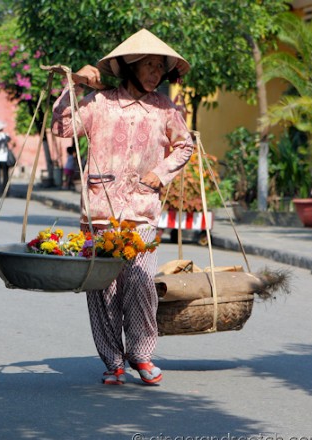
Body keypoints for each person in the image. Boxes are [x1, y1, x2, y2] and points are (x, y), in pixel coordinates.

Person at [51, 29, 194, 386]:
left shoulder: (166, 109)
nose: (154, 74)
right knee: (103, 289)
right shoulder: (100, 104)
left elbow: (185, 146)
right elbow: (62, 127)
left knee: (142, 282)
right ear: (130, 67)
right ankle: (113, 361)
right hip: (99, 210)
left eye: (160, 68)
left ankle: (142, 355)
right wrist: (76, 84)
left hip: (142, 210)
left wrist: (160, 174)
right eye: (148, 66)